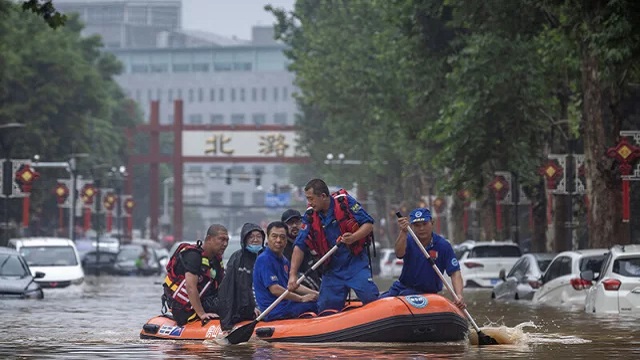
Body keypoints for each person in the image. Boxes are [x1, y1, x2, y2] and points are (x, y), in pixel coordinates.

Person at [288, 179, 379, 314]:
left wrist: (353, 237)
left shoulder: (345, 203)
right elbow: (299, 245)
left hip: (355, 264)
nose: (309, 203)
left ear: (323, 196)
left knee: (370, 297)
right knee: (326, 308)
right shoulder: (310, 215)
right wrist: (293, 275)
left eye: (311, 199)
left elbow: (368, 224)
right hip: (332, 270)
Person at [380, 208, 466, 310]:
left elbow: (455, 272)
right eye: (417, 225)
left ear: (432, 223)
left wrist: (459, 295)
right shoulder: (407, 240)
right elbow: (399, 253)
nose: (421, 228)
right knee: (377, 303)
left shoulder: (443, 246)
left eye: (424, 224)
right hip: (402, 287)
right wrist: (403, 232)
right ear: (411, 226)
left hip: (427, 294)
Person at [162, 224, 228, 326]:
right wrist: (202, 314)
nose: (225, 244)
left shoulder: (216, 261)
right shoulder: (193, 256)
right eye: (221, 239)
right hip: (183, 307)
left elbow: (224, 287)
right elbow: (190, 287)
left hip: (205, 300)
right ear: (209, 239)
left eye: (227, 240)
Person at [253, 221, 318, 320]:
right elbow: (275, 289)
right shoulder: (264, 259)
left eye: (282, 237)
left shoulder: (284, 260)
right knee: (316, 306)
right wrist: (301, 298)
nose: (278, 240)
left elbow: (293, 285)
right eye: (274, 236)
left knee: (319, 300)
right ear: (268, 238)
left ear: (286, 240)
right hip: (274, 309)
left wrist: (316, 293)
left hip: (286, 304)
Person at [217, 223, 265, 331]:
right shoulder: (237, 259)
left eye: (259, 236)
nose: (255, 240)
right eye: (251, 237)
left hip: (266, 304)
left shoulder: (267, 256)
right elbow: (229, 289)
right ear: (244, 239)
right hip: (245, 309)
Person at [281, 209, 322, 291]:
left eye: (297, 222)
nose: (294, 225)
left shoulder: (310, 242)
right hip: (296, 291)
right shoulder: (281, 248)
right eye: (290, 223)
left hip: (318, 288)